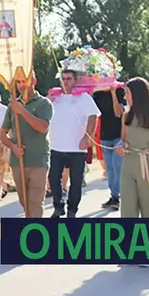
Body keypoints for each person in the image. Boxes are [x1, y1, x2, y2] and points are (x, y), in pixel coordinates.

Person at [47, 70, 99, 219]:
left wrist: (87, 137)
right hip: (56, 147)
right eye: (63, 79)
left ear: (75, 81)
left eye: (69, 79)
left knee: (76, 182)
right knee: (53, 178)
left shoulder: (84, 98)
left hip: (77, 149)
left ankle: (72, 210)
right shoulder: (54, 98)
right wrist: (47, 101)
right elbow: (42, 114)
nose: (66, 82)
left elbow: (93, 116)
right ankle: (58, 206)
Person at [0, 75, 53, 218]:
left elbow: (42, 127)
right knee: (25, 202)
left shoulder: (44, 103)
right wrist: (13, 147)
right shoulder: (12, 106)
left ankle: (35, 236)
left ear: (33, 81)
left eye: (25, 81)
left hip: (38, 160)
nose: (21, 85)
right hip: (19, 161)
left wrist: (22, 111)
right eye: (18, 82)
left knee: (35, 202)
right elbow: (2, 134)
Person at [114, 78, 149, 219]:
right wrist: (120, 146)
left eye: (127, 93)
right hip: (129, 166)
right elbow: (123, 139)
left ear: (137, 95)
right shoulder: (126, 115)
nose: (125, 97)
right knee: (127, 209)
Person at [92, 85, 125, 211]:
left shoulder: (119, 91)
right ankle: (114, 196)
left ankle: (117, 197)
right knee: (110, 168)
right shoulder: (97, 94)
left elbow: (118, 113)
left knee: (117, 166)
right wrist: (91, 93)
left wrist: (113, 93)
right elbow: (92, 112)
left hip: (118, 135)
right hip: (105, 136)